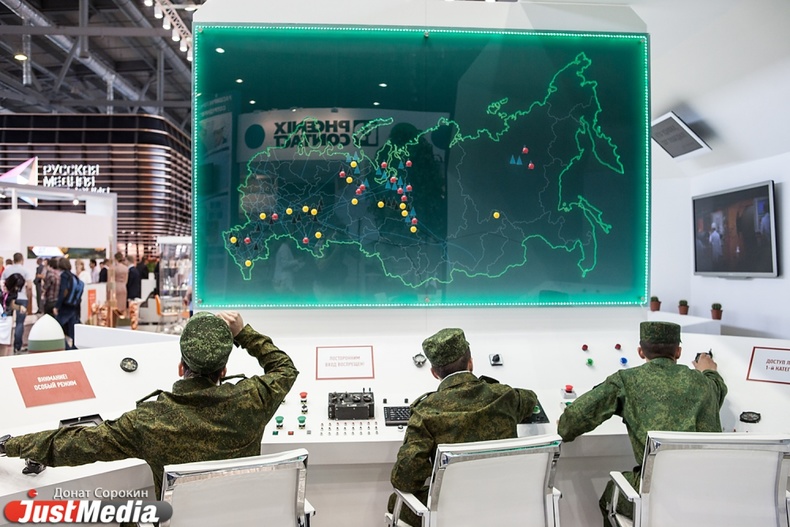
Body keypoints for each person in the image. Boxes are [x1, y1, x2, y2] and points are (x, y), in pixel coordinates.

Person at [0, 311, 299, 507]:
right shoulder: (252, 401)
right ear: (223, 371)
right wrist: (243, 332)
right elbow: (285, 369)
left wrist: (11, 445)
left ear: (181, 366)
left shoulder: (148, 422)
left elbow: (73, 444)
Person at [557, 321, 727, 525]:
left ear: (640, 351)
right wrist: (709, 370)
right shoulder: (706, 383)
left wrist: (564, 425)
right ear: (678, 352)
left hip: (657, 495)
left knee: (611, 496)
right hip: (706, 494)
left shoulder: (626, 380)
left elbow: (572, 421)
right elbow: (718, 387)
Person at [388, 328, 539, 526]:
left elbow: (405, 479)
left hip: (453, 512)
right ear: (471, 362)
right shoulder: (505, 396)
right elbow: (531, 398)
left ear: (434, 373)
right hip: (505, 504)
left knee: (395, 501)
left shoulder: (425, 412)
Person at [1, 252, 34, 354]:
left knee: (7, 322)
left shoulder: (7, 270)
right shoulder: (25, 270)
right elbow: (29, 286)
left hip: (8, 301)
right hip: (22, 298)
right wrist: (28, 298)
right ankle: (17, 346)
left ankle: (7, 344)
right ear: (22, 259)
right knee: (19, 323)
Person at [53, 258, 82, 350]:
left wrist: (57, 306)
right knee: (72, 327)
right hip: (73, 305)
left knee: (57, 326)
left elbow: (63, 291)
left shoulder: (64, 276)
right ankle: (74, 347)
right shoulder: (73, 276)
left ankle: (66, 346)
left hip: (66, 305)